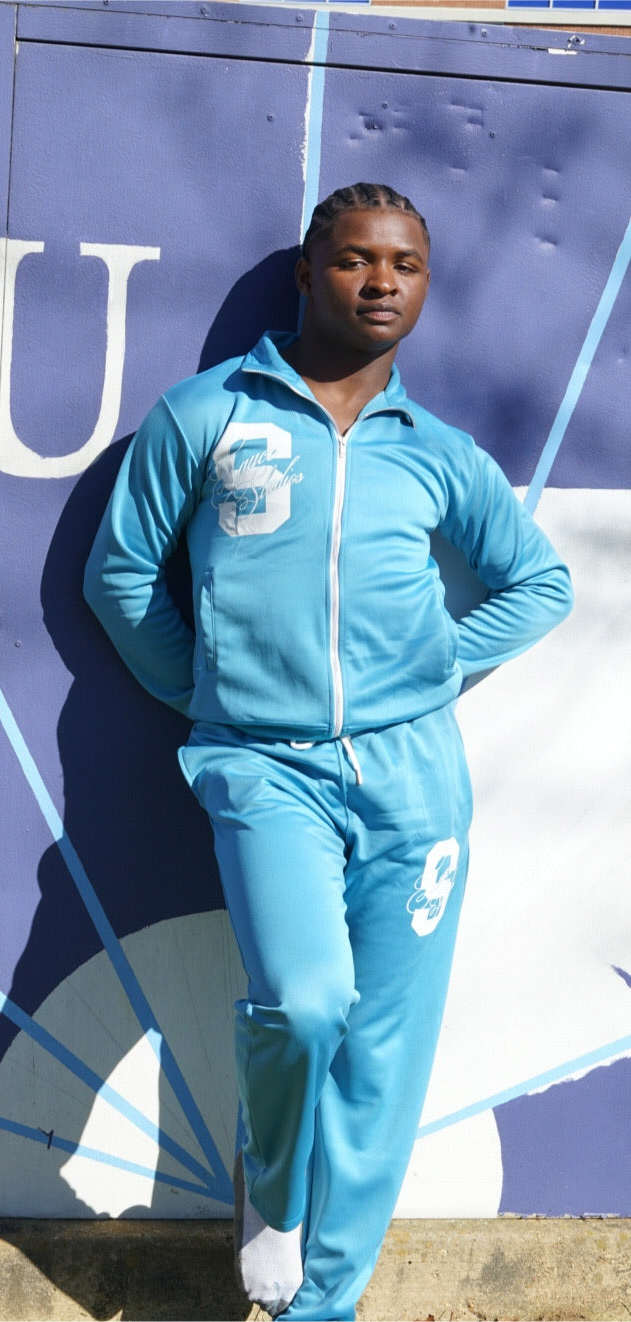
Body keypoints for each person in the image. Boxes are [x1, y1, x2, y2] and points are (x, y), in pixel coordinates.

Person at [83, 182, 572, 1321]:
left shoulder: (436, 453)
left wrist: (435, 668)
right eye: (356, 260)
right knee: (306, 1004)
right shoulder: (207, 415)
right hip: (264, 771)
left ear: (427, 285)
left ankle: (324, 1305)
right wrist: (205, 688)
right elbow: (121, 575)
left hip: (415, 784)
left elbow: (538, 582)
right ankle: (274, 1190)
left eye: (404, 265)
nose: (381, 282)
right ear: (308, 273)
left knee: (383, 1057)